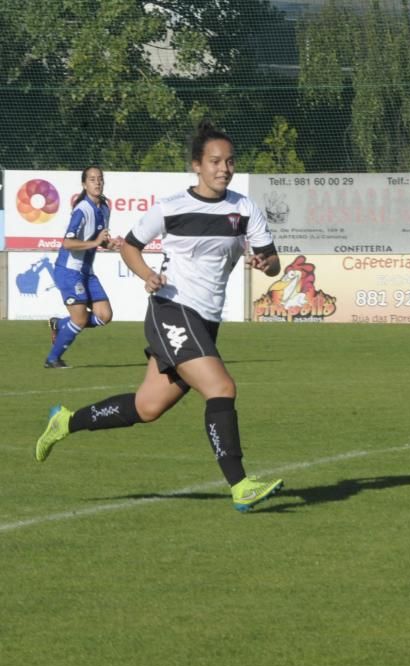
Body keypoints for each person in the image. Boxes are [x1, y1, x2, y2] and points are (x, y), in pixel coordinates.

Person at [34, 121, 285, 513]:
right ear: (196, 166)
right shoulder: (171, 208)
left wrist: (264, 261)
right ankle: (240, 485)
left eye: (230, 161)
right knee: (221, 388)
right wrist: (148, 275)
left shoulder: (244, 208)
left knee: (146, 407)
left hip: (204, 321)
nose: (224, 168)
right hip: (172, 310)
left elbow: (274, 265)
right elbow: (130, 247)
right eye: (215, 161)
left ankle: (65, 421)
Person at [45, 166, 124, 368]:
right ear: (84, 184)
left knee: (105, 316)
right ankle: (52, 359)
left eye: (99, 179)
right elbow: (68, 243)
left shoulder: (104, 208)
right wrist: (97, 242)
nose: (97, 182)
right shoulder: (82, 209)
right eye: (92, 179)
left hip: (87, 272)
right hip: (69, 270)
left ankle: (60, 324)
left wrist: (110, 243)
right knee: (79, 320)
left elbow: (99, 240)